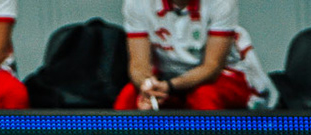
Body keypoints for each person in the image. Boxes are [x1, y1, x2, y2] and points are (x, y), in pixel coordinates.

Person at [117, 0, 274, 111]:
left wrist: (170, 86)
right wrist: (148, 87)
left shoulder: (222, 3)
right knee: (129, 96)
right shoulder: (137, 3)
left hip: (221, 76)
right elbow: (138, 65)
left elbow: (212, 67)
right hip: (166, 77)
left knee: (204, 96)